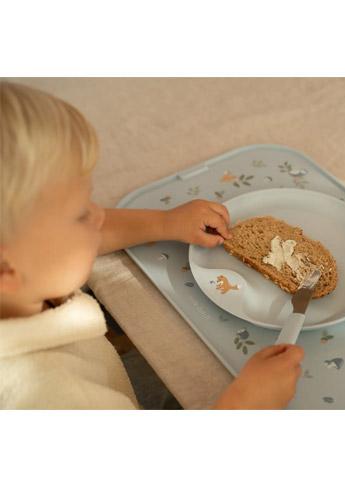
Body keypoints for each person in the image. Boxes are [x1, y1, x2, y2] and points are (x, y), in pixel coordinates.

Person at [0, 81, 304, 409]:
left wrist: (163, 223)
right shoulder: (60, 397)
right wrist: (246, 403)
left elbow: (66, 244)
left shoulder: (27, 272)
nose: (100, 215)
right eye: (80, 215)